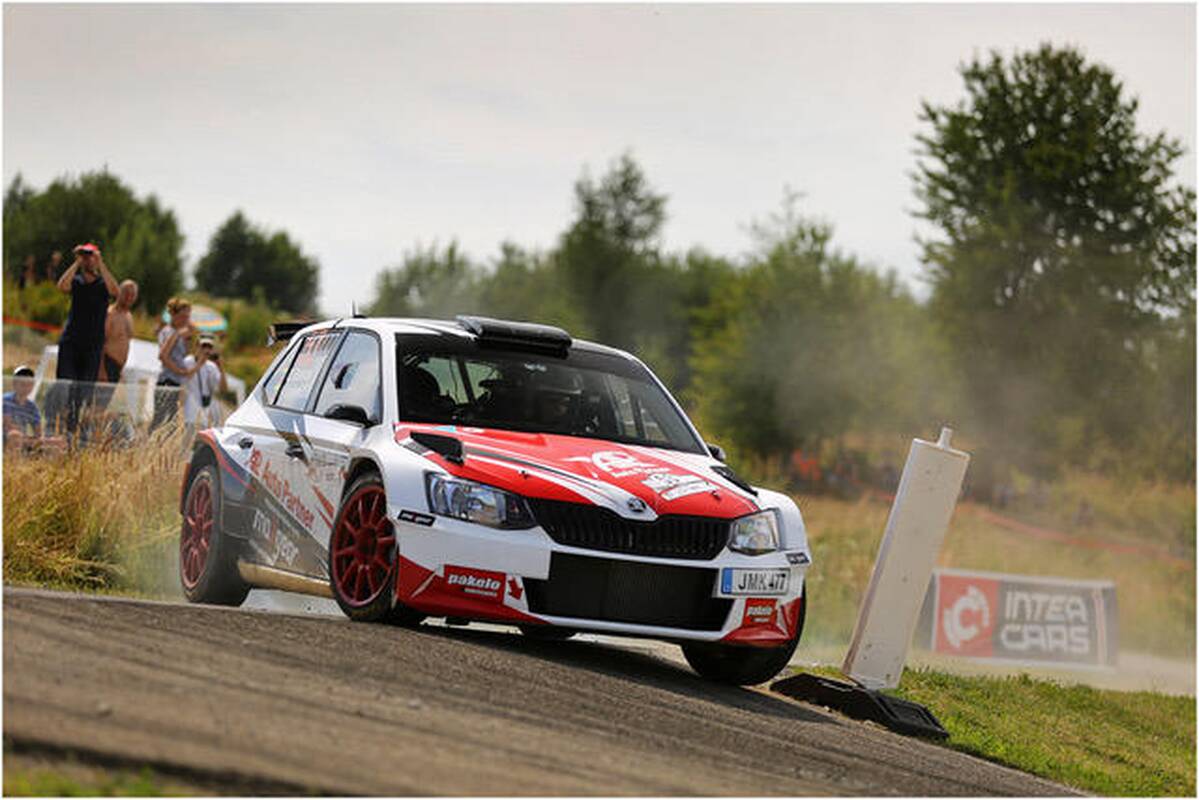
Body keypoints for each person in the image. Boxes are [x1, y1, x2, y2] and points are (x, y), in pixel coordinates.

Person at [54, 243, 118, 436]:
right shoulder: (77, 281)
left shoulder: (102, 284)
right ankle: (61, 425)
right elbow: (62, 286)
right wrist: (77, 262)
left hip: (92, 345)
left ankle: (75, 430)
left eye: (91, 255)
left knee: (85, 389)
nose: (88, 259)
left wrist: (101, 263)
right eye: (85, 255)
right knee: (66, 384)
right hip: (71, 342)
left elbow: (115, 291)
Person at [152, 297, 206, 431]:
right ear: (173, 314)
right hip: (167, 381)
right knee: (161, 421)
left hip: (178, 383)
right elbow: (163, 356)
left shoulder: (181, 333)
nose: (186, 320)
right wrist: (180, 372)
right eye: (183, 316)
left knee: (171, 422)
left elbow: (184, 355)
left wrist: (189, 338)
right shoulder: (167, 331)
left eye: (188, 317)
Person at [3, 365, 66, 454]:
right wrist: (31, 440)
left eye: (29, 384)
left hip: (24, 441)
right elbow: (8, 427)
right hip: (7, 440)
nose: (26, 387)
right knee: (14, 435)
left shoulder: (32, 407)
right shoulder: (5, 401)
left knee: (59, 442)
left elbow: (38, 432)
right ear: (14, 384)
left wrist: (47, 441)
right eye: (22, 384)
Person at [183, 336, 228, 440]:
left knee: (201, 444)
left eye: (209, 347)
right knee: (187, 442)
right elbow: (185, 377)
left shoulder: (211, 366)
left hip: (205, 414)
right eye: (203, 346)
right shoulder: (188, 361)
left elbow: (223, 388)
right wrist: (199, 363)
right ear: (197, 347)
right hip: (190, 413)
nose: (206, 350)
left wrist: (221, 368)